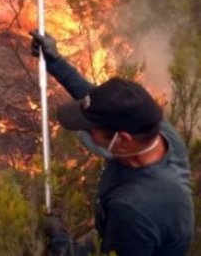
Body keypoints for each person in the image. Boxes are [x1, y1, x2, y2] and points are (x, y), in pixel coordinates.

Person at [31, 31, 194, 256]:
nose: (84, 130)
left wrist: (61, 243)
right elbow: (100, 103)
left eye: (91, 128)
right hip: (119, 231)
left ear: (123, 140)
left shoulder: (132, 209)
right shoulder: (156, 131)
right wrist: (56, 62)